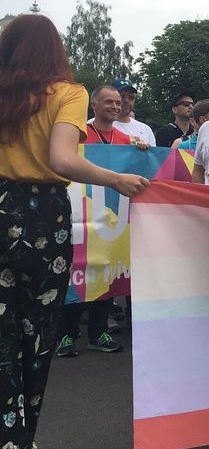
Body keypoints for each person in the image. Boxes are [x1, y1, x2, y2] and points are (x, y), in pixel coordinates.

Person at [0, 15, 148, 449]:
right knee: (35, 337)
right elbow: (62, 160)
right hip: (41, 216)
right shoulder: (67, 93)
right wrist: (116, 179)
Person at [57, 85, 135, 358]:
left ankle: (98, 333)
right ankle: (66, 335)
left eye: (118, 102)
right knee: (78, 272)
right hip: (80, 214)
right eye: (109, 102)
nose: (115, 106)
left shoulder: (126, 140)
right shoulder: (78, 133)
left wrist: (143, 152)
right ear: (94, 105)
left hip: (111, 216)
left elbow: (136, 168)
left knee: (106, 271)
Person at [110, 78, 156, 147]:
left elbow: (152, 154)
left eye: (131, 97)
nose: (126, 100)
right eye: (122, 96)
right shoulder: (96, 125)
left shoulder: (145, 130)